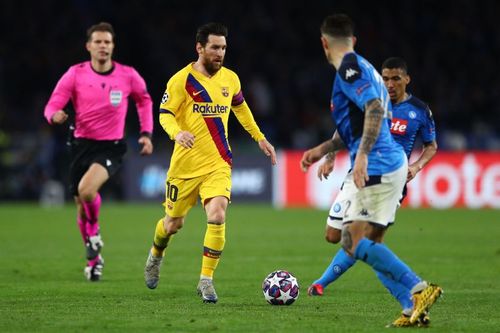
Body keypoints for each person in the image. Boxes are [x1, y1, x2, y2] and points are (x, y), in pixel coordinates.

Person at [299, 14, 442, 326]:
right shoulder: (364, 67)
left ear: (324, 43)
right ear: (354, 40)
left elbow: (375, 110)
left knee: (351, 241)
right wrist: (323, 151)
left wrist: (361, 155)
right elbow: (356, 120)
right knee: (362, 243)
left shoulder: (349, 70)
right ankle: (410, 306)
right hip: (386, 163)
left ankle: (419, 288)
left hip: (377, 163)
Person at [143, 22, 276, 303]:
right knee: (172, 224)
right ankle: (156, 254)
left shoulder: (231, 79)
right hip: (185, 167)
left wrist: (260, 138)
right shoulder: (181, 80)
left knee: (217, 214)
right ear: (200, 48)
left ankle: (206, 280)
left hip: (218, 163)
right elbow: (165, 113)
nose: (220, 53)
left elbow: (241, 108)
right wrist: (176, 132)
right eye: (215, 47)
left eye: (224, 47)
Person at [44, 22, 154, 282]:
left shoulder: (128, 76)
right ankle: (94, 261)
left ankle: (94, 235)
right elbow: (52, 105)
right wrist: (54, 116)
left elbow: (144, 101)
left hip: (111, 147)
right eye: (98, 42)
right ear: (89, 46)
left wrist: (146, 134)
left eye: (108, 42)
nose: (103, 46)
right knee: (82, 208)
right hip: (81, 146)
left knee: (86, 190)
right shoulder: (75, 74)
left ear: (113, 46)